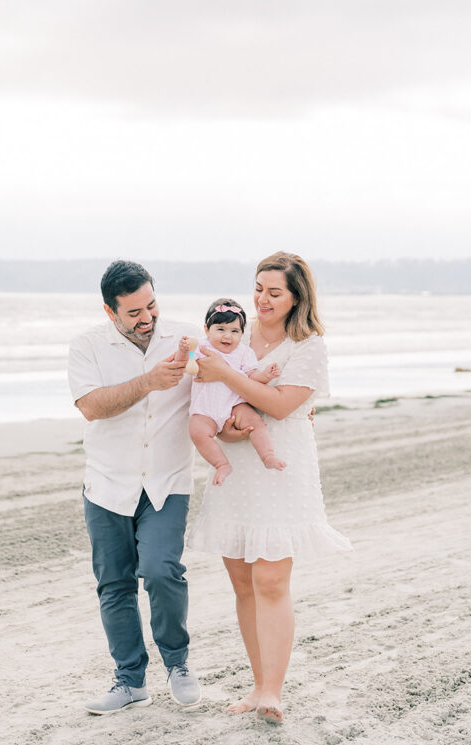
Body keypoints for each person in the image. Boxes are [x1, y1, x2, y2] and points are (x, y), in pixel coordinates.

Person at [187, 251, 353, 725]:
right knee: (242, 582)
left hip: (282, 471)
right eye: (257, 288)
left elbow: (280, 406)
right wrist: (219, 428)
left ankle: (273, 693)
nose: (261, 299)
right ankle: (258, 684)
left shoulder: (308, 346)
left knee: (272, 580)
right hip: (235, 469)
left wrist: (230, 378)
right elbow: (208, 393)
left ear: (296, 297)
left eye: (274, 292)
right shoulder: (234, 333)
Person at [67, 260, 203, 715]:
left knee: (163, 571)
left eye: (151, 305)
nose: (147, 318)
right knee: (115, 585)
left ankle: (178, 664)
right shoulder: (87, 347)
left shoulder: (185, 339)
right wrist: (149, 381)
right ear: (111, 312)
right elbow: (90, 406)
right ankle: (129, 681)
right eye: (133, 313)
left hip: (168, 483)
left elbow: (231, 375)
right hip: (107, 484)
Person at [187, 298, 285, 487]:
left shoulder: (243, 352)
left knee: (255, 422)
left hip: (234, 404)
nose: (227, 336)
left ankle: (268, 455)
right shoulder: (201, 346)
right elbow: (188, 365)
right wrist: (187, 351)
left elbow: (251, 376)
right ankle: (221, 464)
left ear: (242, 333)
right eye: (220, 329)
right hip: (206, 407)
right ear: (207, 329)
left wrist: (265, 375)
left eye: (234, 331)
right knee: (197, 432)